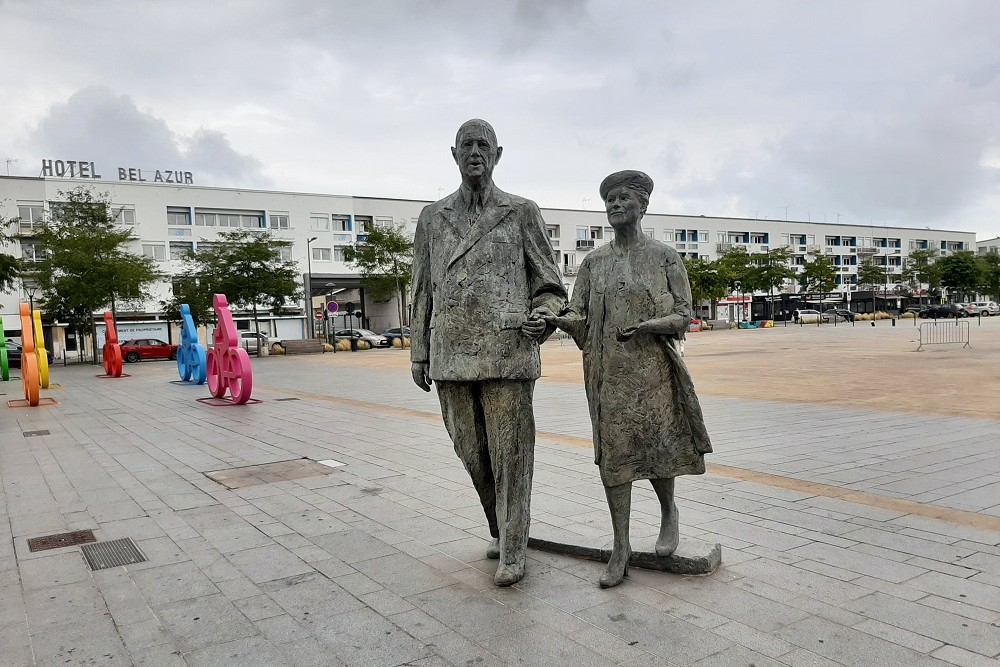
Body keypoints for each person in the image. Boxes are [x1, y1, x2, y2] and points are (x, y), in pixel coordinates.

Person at [409, 119, 567, 587]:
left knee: (511, 454)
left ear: (498, 153)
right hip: (451, 354)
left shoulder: (521, 212)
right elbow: (421, 288)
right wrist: (419, 351)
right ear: (453, 154)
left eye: (484, 145)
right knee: (472, 452)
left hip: (508, 350)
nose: (475, 152)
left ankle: (515, 547)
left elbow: (550, 286)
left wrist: (545, 313)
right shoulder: (432, 217)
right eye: (466, 145)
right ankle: (500, 528)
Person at [543, 170, 712, 588]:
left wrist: (649, 326)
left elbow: (684, 316)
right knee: (615, 460)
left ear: (642, 205)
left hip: (654, 373)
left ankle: (669, 511)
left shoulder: (665, 257)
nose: (615, 205)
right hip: (607, 377)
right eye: (610, 200)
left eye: (623, 199)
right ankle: (621, 546)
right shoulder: (594, 262)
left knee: (657, 449)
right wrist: (556, 320)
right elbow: (580, 317)